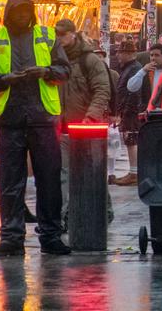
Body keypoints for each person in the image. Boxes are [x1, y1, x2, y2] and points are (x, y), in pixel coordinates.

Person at [0, 0, 71, 256]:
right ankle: (12, 237)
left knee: (49, 180)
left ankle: (50, 235)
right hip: (10, 120)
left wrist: (45, 72)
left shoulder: (47, 36)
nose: (22, 15)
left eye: (26, 10)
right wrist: (6, 79)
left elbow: (65, 71)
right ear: (9, 13)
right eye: (18, 10)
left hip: (42, 118)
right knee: (9, 181)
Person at [56, 19, 112, 224]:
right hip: (61, 127)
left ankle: (104, 210)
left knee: (93, 170)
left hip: (86, 128)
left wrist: (92, 116)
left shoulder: (89, 60)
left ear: (72, 34)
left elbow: (102, 88)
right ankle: (65, 217)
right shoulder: (54, 60)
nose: (59, 39)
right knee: (63, 173)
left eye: (62, 35)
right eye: (57, 35)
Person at [110, 41, 144, 186]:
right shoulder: (128, 68)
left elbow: (133, 92)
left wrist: (126, 110)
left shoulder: (134, 68)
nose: (117, 55)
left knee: (131, 139)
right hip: (128, 111)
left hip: (131, 111)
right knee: (129, 139)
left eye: (120, 52)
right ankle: (133, 171)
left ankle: (134, 173)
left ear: (129, 54)